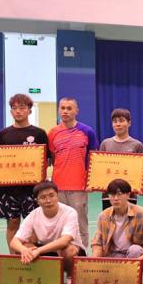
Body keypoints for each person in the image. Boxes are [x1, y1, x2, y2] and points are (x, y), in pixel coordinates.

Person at [0, 93, 49, 253]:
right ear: (11, 111)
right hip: (8, 190)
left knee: (34, 227)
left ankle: (33, 256)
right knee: (12, 225)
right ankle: (13, 259)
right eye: (14, 108)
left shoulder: (39, 133)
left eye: (22, 107)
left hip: (32, 190)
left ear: (29, 110)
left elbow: (47, 160)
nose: (18, 111)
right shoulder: (3, 134)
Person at [9, 181, 86, 284]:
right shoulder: (33, 215)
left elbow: (64, 241)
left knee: (70, 250)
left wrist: (38, 251)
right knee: (23, 247)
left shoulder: (70, 212)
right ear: (37, 201)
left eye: (51, 195)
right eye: (43, 197)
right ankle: (38, 277)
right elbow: (14, 242)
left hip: (70, 252)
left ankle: (71, 277)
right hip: (47, 251)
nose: (48, 200)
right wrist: (24, 250)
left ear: (57, 196)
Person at [48, 97, 98, 249]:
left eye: (69, 108)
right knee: (60, 224)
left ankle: (81, 254)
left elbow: (93, 159)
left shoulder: (87, 131)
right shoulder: (52, 133)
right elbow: (53, 158)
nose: (65, 111)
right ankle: (62, 255)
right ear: (58, 110)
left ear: (76, 111)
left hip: (79, 187)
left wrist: (90, 182)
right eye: (62, 108)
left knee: (80, 224)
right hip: (58, 187)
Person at [91, 179, 143, 265]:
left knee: (135, 250)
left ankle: (131, 272)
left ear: (128, 195)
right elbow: (97, 243)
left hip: (135, 256)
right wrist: (94, 260)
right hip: (111, 256)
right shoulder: (103, 216)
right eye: (112, 195)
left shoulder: (141, 213)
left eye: (119, 194)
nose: (115, 198)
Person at [99, 108, 143, 210]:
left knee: (129, 219)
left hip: (129, 195)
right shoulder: (105, 144)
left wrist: (141, 185)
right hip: (108, 195)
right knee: (109, 220)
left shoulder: (137, 145)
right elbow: (100, 169)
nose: (118, 124)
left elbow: (140, 171)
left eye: (121, 121)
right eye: (115, 121)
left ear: (129, 123)